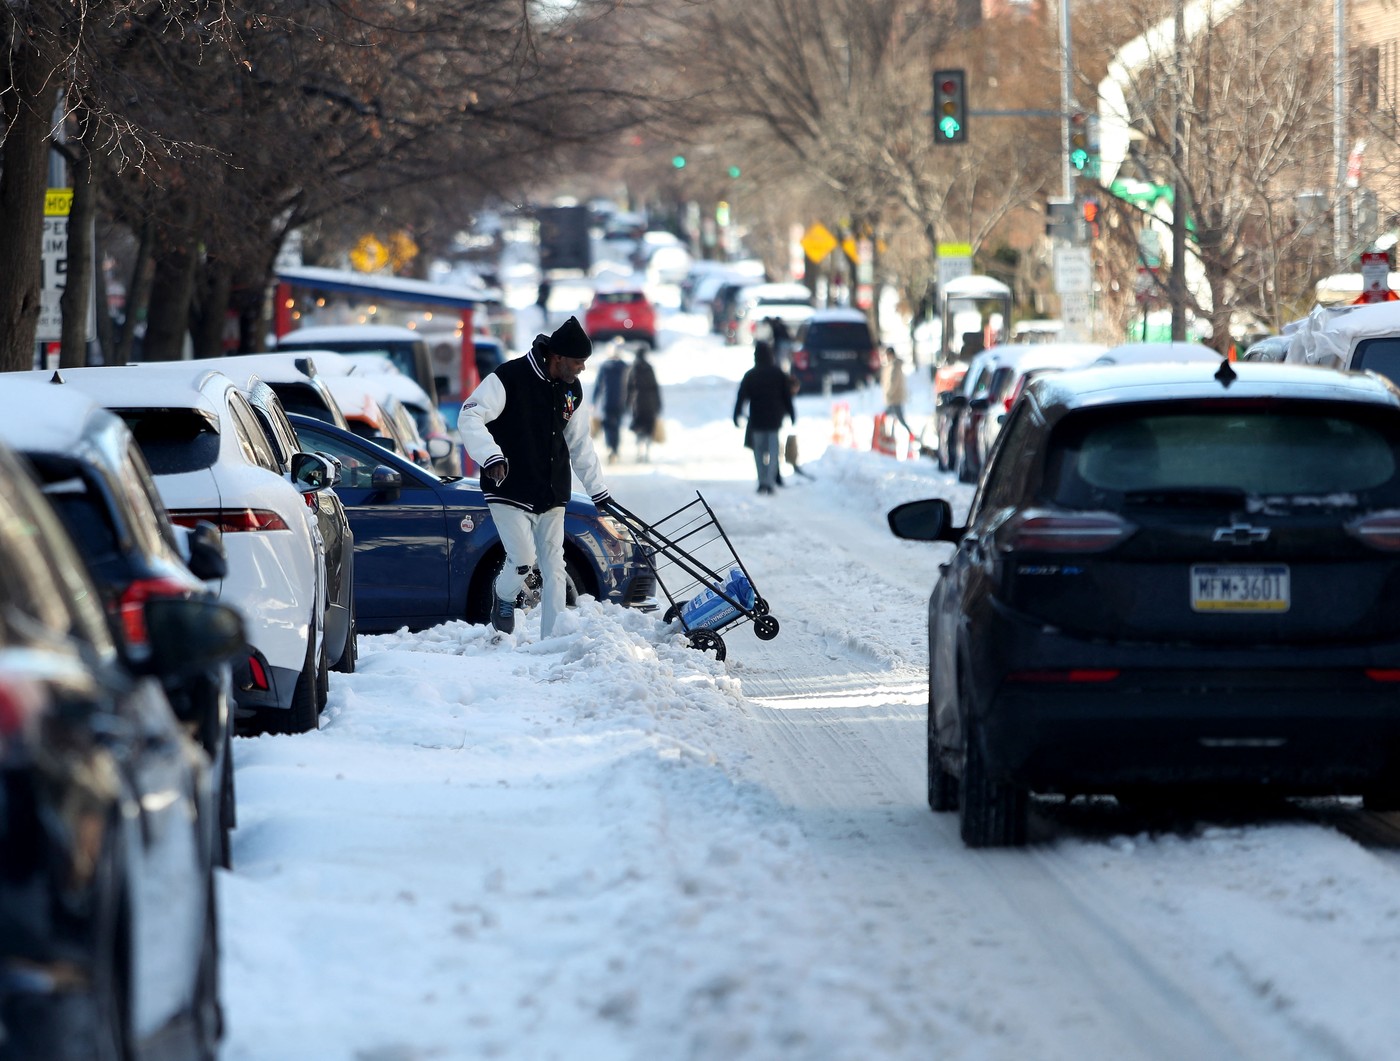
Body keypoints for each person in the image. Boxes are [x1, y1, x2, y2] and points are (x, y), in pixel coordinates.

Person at [457, 316, 614, 638]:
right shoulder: (509, 377)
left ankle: (553, 638)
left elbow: (580, 441)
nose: (582, 368)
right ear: (557, 357)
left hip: (552, 491)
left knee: (555, 566)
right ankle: (502, 597)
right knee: (522, 559)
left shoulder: (572, 390)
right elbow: (470, 414)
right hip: (509, 487)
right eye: (578, 362)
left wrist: (598, 491)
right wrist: (490, 456)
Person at [734, 339, 796, 495]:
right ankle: (769, 482)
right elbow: (786, 396)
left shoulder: (751, 375)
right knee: (774, 452)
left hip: (757, 420)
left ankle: (762, 481)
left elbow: (741, 397)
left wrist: (737, 414)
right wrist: (791, 413)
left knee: (759, 452)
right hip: (774, 420)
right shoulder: (778, 374)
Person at [593, 340, 630, 463]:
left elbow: (598, 385)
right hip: (620, 401)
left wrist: (594, 401)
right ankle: (615, 449)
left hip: (607, 401)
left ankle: (610, 447)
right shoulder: (625, 366)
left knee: (608, 426)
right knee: (617, 426)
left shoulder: (605, 366)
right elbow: (630, 386)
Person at [626, 345, 663, 463]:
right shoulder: (649, 368)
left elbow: (629, 388)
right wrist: (658, 404)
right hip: (650, 403)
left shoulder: (633, 369)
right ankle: (646, 451)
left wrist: (627, 403)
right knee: (648, 428)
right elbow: (655, 387)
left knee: (638, 428)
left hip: (637, 404)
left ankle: (639, 451)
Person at [881, 346, 916, 438]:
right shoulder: (893, 365)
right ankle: (890, 436)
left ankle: (911, 435)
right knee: (893, 417)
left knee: (896, 417)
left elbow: (893, 381)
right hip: (895, 397)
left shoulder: (894, 366)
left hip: (894, 397)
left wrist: (889, 392)